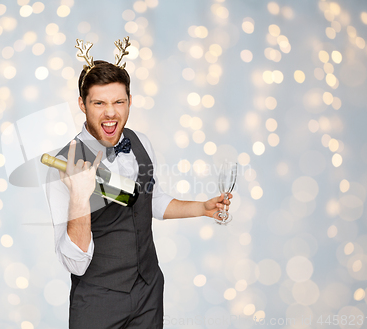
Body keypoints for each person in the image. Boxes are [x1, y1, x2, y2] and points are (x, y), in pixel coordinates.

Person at [44, 37, 232, 329]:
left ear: (130, 101)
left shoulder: (140, 142)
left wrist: (202, 207)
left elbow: (151, 200)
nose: (110, 112)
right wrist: (80, 198)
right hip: (98, 300)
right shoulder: (65, 164)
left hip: (148, 292)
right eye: (99, 103)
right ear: (82, 104)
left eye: (119, 101)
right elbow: (75, 263)